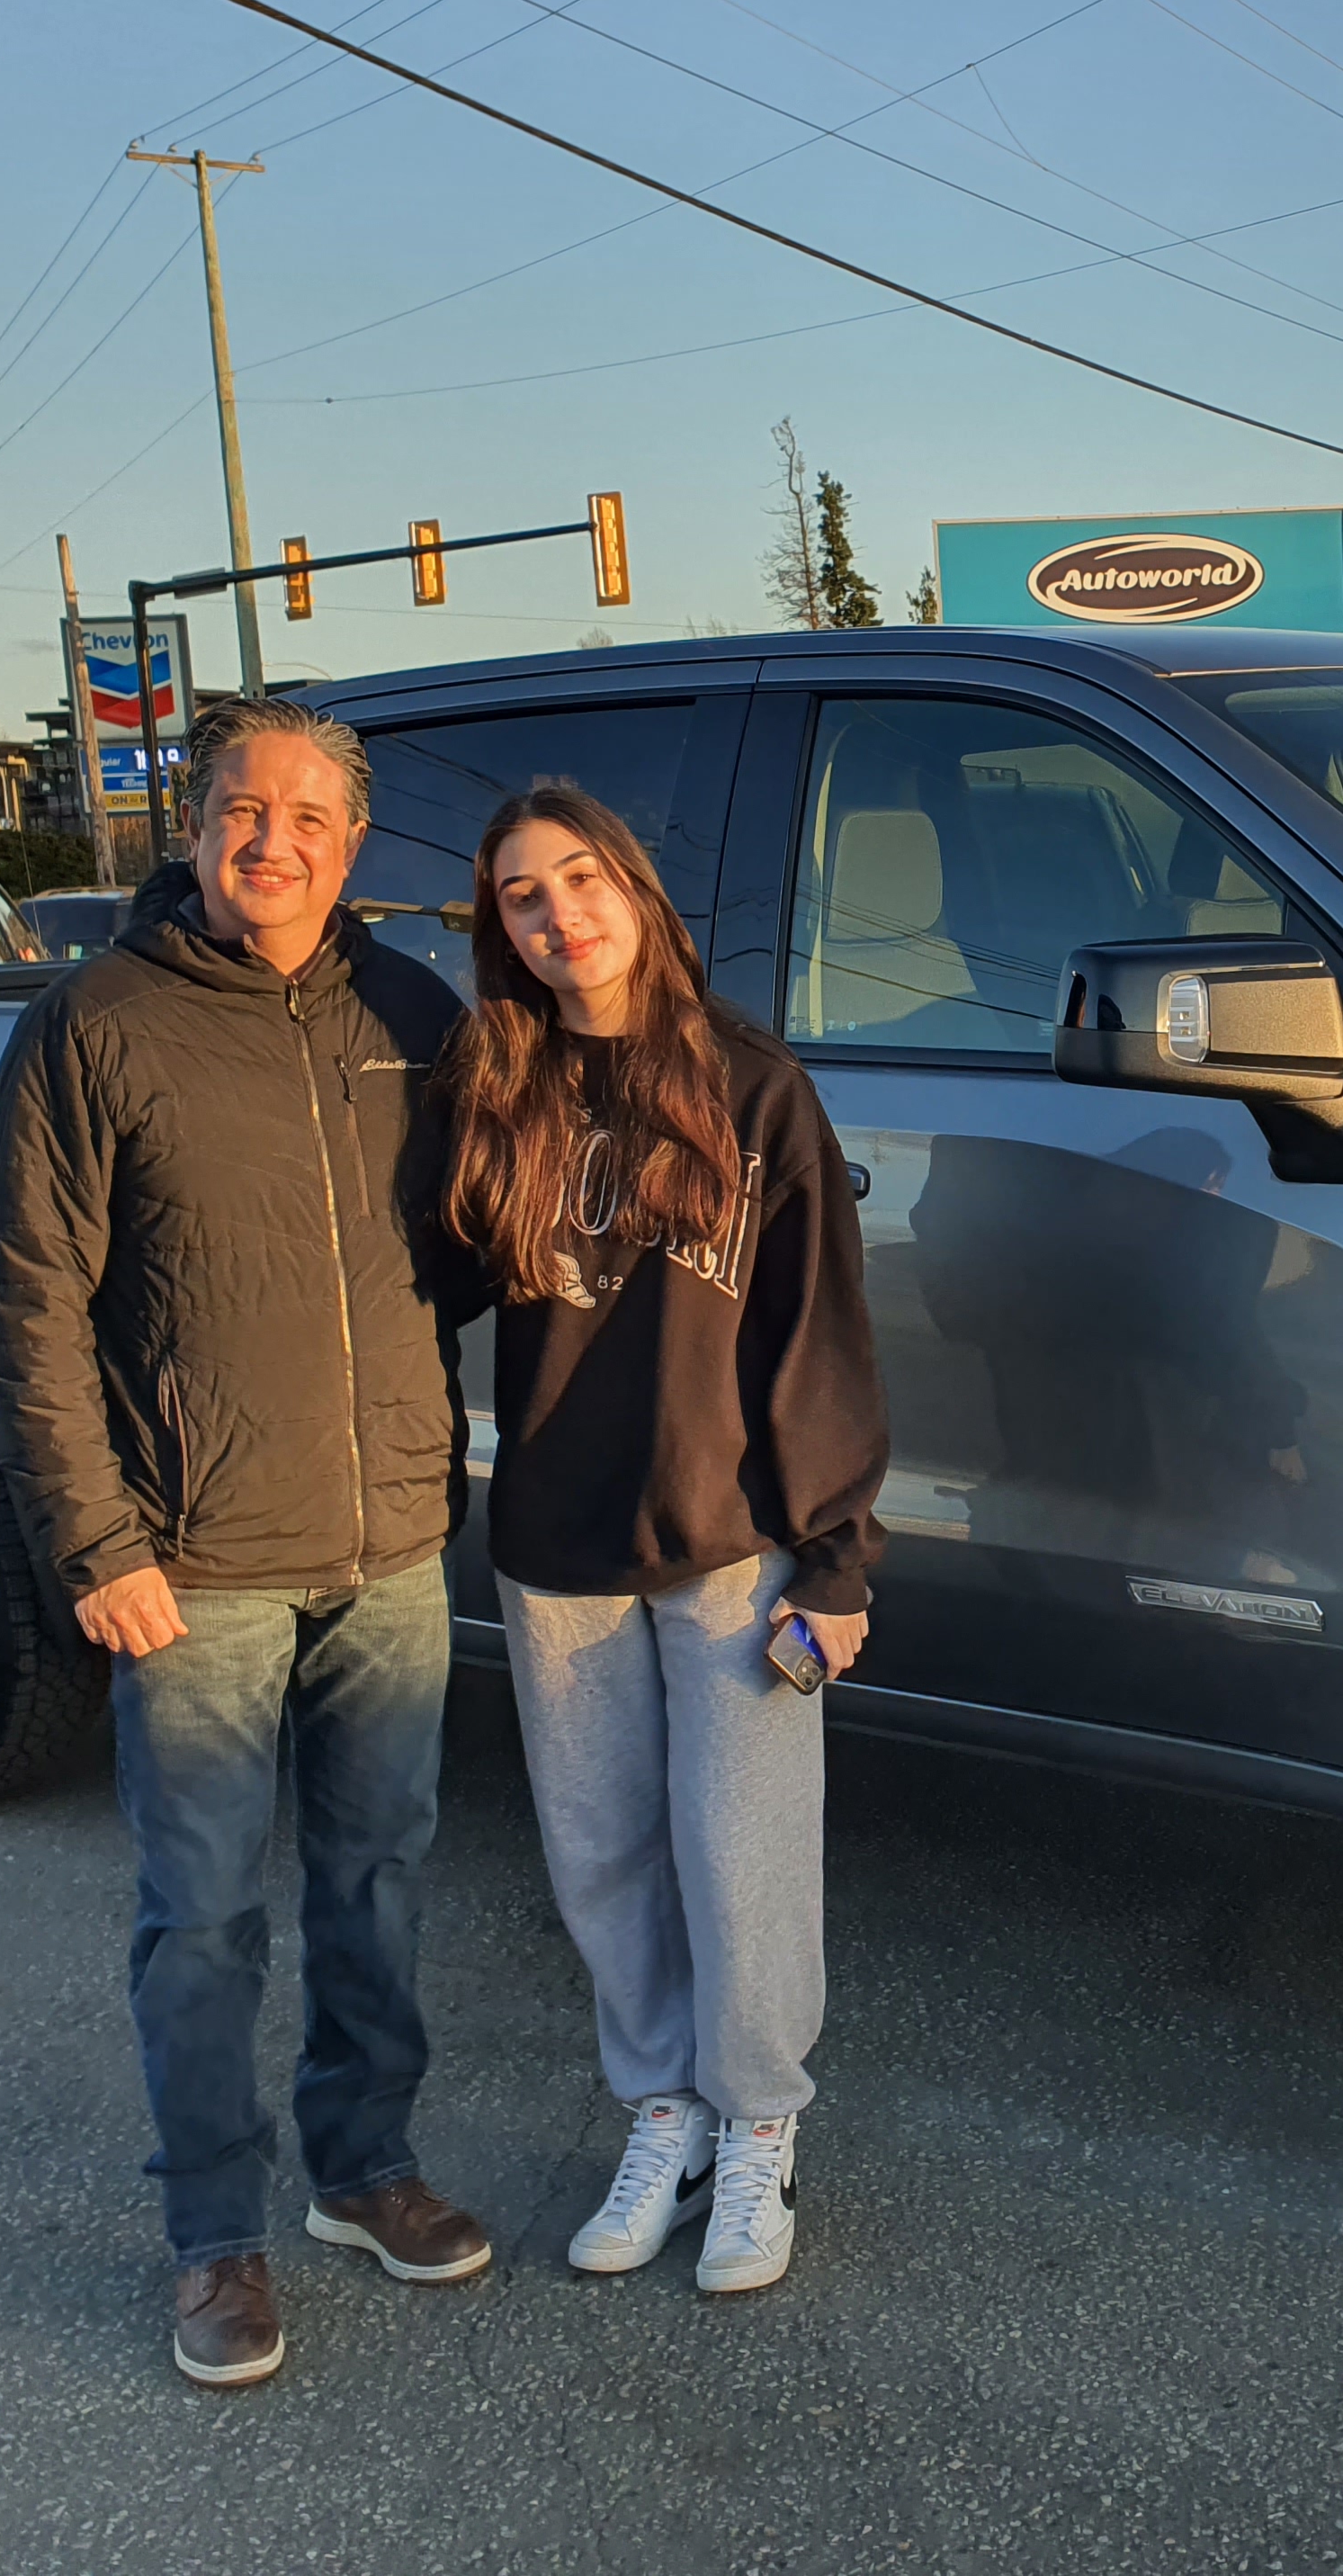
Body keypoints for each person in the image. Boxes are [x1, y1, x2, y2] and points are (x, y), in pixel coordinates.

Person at [0, 696, 489, 2390]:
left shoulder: (413, 1014)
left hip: (390, 1546)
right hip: (191, 1565)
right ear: (192, 827)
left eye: (310, 817)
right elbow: (30, 1312)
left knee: (378, 1879)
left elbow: (462, 1254)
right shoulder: (93, 1025)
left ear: (355, 844)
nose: (275, 841)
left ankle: (363, 2166)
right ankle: (214, 2235)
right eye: (243, 810)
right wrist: (96, 1545)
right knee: (201, 1917)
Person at [441, 785, 885, 2298]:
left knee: (741, 1852)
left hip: (728, 1541)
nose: (560, 916)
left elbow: (817, 1336)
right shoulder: (495, 1088)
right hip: (555, 1541)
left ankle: (758, 2124)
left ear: (635, 889)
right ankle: (663, 2112)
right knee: (604, 1854)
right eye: (522, 896)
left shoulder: (754, 1089)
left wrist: (836, 1558)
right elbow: (409, 1274)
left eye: (582, 879)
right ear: (498, 929)